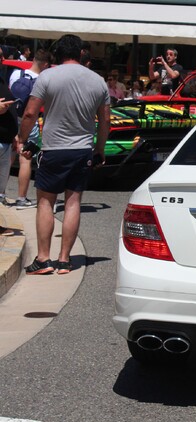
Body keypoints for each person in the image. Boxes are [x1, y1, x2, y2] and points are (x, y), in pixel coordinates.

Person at [15, 34, 110, 275]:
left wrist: (22, 139)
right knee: (73, 202)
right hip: (82, 149)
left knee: (45, 201)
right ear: (80, 54)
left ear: (58, 55)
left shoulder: (47, 76)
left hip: (54, 149)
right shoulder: (98, 81)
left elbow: (29, 113)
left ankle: (44, 259)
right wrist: (99, 149)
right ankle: (65, 260)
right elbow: (106, 120)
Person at [9, 49, 52, 209]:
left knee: (8, 157)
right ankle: (21, 198)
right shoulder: (42, 81)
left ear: (34, 59)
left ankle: (1, 194)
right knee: (25, 159)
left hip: (13, 120)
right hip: (30, 122)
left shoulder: (16, 75)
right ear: (46, 64)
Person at [0, 49, 18, 210]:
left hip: (5, 142)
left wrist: (15, 134)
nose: (3, 59)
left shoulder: (1, 79)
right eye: (0, 56)